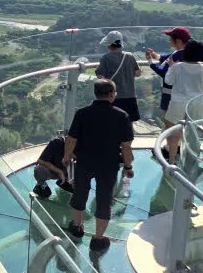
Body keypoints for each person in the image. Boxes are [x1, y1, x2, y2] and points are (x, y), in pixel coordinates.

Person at [62, 79, 135, 252]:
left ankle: (77, 227)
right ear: (111, 94)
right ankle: (98, 239)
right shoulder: (121, 115)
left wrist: (66, 156)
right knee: (104, 199)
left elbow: (72, 139)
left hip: (85, 161)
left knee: (80, 192)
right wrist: (128, 166)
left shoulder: (82, 113)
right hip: (108, 164)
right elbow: (126, 146)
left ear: (96, 94)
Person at [162, 40, 203, 162]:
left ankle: (171, 161)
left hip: (178, 102)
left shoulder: (177, 67)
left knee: (174, 134)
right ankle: (192, 159)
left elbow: (168, 81)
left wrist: (170, 67)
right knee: (193, 135)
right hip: (197, 102)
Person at [145, 27, 191, 123]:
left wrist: (150, 61)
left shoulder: (178, 55)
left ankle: (170, 137)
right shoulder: (185, 53)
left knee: (168, 121)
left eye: (170, 38)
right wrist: (155, 56)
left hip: (170, 93)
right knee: (181, 121)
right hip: (183, 92)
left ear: (178, 41)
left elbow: (164, 73)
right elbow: (166, 58)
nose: (169, 40)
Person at [96, 31, 141, 124]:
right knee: (128, 123)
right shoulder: (129, 56)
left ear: (109, 45)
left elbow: (100, 76)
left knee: (113, 123)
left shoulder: (105, 58)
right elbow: (137, 73)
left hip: (113, 97)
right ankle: (128, 139)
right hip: (130, 95)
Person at [32, 131, 69, 200]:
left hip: (68, 174)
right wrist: (59, 172)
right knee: (39, 169)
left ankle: (67, 186)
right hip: (53, 171)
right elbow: (40, 161)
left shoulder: (80, 147)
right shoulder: (57, 142)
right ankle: (41, 186)